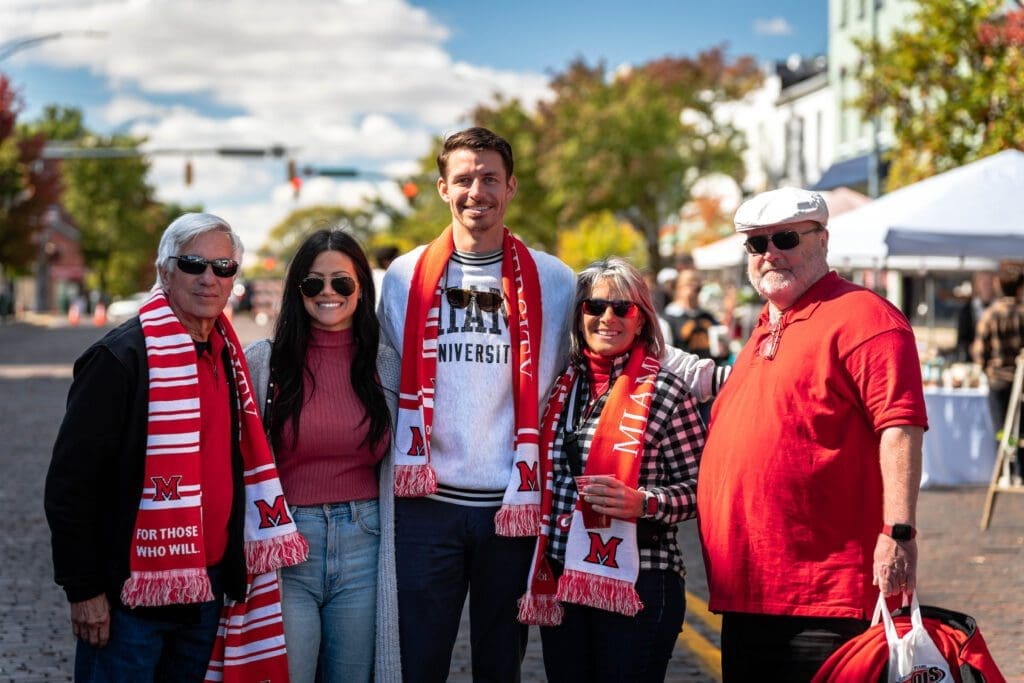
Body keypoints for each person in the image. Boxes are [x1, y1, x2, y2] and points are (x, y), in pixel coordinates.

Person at [378, 127, 726, 681]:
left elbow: (616, 334)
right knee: (419, 662)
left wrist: (719, 375)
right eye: (464, 179)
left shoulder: (554, 279)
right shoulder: (403, 277)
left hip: (513, 505)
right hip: (428, 505)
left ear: (510, 187)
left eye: (490, 178)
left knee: (500, 666)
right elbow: (378, 367)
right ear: (443, 188)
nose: (477, 191)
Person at [45, 213, 307, 682]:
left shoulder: (228, 357)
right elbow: (71, 484)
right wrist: (83, 589)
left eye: (223, 267)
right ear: (165, 271)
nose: (209, 278)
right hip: (128, 599)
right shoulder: (119, 360)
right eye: (194, 264)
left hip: (203, 593)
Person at [696, 187, 929, 681]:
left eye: (784, 238)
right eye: (756, 245)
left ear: (822, 240)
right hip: (749, 592)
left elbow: (900, 426)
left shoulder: (866, 317)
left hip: (824, 597)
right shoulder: (766, 324)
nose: (770, 254)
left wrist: (899, 533)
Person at [517, 257, 705, 682]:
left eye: (623, 308)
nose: (608, 317)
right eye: (594, 306)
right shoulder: (558, 385)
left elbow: (701, 488)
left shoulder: (666, 391)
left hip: (642, 576)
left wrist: (644, 502)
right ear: (578, 314)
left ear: (641, 320)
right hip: (564, 574)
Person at [244, 229, 401, 682]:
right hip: (286, 543)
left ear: (361, 289)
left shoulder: (386, 365)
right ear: (298, 290)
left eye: (342, 283)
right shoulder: (265, 363)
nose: (328, 293)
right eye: (314, 283)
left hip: (365, 542)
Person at [972, 263, 1024, 479]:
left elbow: (979, 351)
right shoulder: (1022, 314)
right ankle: (1020, 470)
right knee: (1020, 429)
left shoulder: (990, 314)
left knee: (1002, 429)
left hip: (998, 382)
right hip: (1020, 382)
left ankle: (1005, 470)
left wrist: (987, 370)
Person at [662, 269, 723, 360]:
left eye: (698, 285)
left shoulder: (707, 316)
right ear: (679, 288)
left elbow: (721, 347)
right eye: (690, 283)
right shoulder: (668, 319)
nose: (695, 287)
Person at [956, 271, 997, 361]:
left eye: (990, 284)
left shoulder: (999, 308)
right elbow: (961, 339)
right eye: (984, 283)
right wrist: (971, 348)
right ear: (977, 286)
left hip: (995, 360)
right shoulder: (967, 310)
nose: (987, 287)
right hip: (972, 360)